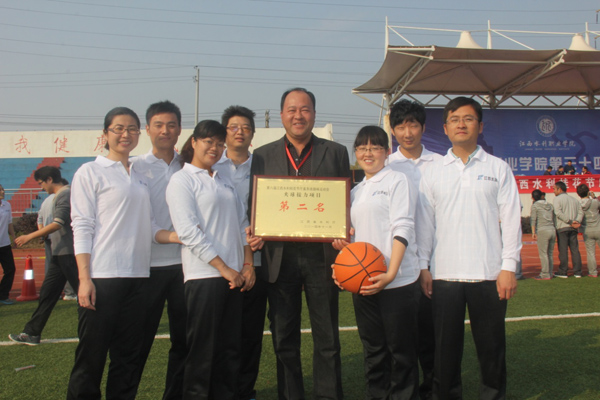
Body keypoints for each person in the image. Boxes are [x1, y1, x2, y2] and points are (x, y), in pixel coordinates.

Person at [67, 107, 180, 400]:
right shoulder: (90, 171)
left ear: (138, 134)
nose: (125, 134)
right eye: (118, 128)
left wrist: (182, 236)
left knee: (127, 357)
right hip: (103, 277)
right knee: (91, 357)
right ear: (105, 134)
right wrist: (84, 279)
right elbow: (82, 225)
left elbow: (151, 225)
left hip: (139, 277)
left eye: (131, 129)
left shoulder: (139, 175)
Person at [249, 88, 350, 400]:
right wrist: (256, 229)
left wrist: (344, 228)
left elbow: (344, 203)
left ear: (314, 114)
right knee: (283, 337)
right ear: (281, 115)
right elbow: (255, 203)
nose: (298, 116)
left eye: (304, 109)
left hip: (323, 256)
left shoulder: (336, 152)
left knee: (327, 337)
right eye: (291, 110)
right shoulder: (262, 155)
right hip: (279, 257)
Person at [419, 97, 522, 399]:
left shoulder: (498, 168)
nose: (461, 124)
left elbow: (511, 220)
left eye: (468, 119)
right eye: (454, 119)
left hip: (488, 274)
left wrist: (508, 267)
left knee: (492, 351)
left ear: (480, 126)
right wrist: (423, 266)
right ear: (445, 128)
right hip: (444, 275)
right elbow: (425, 224)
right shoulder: (433, 172)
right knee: (444, 353)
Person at [166, 120, 254, 399]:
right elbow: (188, 232)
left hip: (234, 277)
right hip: (204, 277)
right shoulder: (182, 180)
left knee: (229, 350)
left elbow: (243, 224)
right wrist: (223, 268)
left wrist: (247, 265)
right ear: (193, 142)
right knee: (202, 352)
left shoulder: (223, 180)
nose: (214, 148)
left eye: (219, 143)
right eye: (208, 142)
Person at [333, 125, 420, 399]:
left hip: (397, 281)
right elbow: (353, 239)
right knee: (373, 350)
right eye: (362, 148)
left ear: (387, 151)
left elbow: (403, 226)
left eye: (375, 147)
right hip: (364, 282)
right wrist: (342, 263)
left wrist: (391, 273)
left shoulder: (397, 180)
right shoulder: (355, 191)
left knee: (401, 351)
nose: (367, 153)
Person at [130, 100, 187, 399]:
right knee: (136, 342)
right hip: (146, 267)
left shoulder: (189, 166)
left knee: (184, 342)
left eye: (171, 125)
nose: (165, 130)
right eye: (159, 125)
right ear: (147, 129)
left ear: (179, 130)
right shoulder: (134, 166)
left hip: (185, 267)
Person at [387, 98, 442, 400]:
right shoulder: (387, 166)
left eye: (413, 125)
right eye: (400, 126)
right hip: (402, 267)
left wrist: (427, 264)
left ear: (423, 127)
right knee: (402, 339)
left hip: (437, 261)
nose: (407, 133)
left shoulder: (441, 164)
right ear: (392, 130)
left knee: (432, 336)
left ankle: (432, 390)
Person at [213, 105, 267, 400]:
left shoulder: (264, 166)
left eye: (246, 128)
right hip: (218, 264)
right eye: (233, 127)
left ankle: (245, 391)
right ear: (224, 133)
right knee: (220, 335)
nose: (240, 132)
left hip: (255, 263)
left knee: (250, 334)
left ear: (252, 134)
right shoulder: (211, 165)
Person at [9, 167, 79, 345]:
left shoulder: (65, 194)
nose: (41, 187)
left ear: (49, 179)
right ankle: (31, 333)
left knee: (87, 296)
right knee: (47, 295)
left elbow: (58, 223)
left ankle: (108, 329)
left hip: (69, 253)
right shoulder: (57, 196)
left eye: (41, 183)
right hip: (59, 254)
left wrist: (30, 236)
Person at [552, 181, 583, 278]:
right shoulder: (574, 200)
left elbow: (558, 213)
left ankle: (563, 271)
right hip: (573, 228)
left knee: (563, 250)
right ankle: (578, 272)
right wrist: (576, 221)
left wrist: (569, 221)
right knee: (575, 250)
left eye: (554, 189)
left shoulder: (557, 199)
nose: (553, 191)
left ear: (559, 189)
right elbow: (581, 212)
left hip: (563, 227)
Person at [530, 189, 556, 280]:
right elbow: (554, 218)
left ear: (533, 197)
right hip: (552, 229)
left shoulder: (535, 206)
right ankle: (550, 272)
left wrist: (533, 232)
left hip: (542, 230)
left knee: (543, 253)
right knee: (550, 253)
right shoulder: (550, 205)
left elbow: (533, 219)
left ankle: (545, 273)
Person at [576, 184, 599, 278]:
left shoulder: (579, 204)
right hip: (598, 227)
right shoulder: (595, 202)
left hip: (587, 230)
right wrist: (594, 197)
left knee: (590, 253)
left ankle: (593, 272)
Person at [0, 184, 16, 305]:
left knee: (10, 269)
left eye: (2, 189)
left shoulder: (7, 205)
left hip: (4, 244)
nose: (2, 192)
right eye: (0, 190)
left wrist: (14, 237)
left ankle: (3, 295)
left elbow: (9, 223)